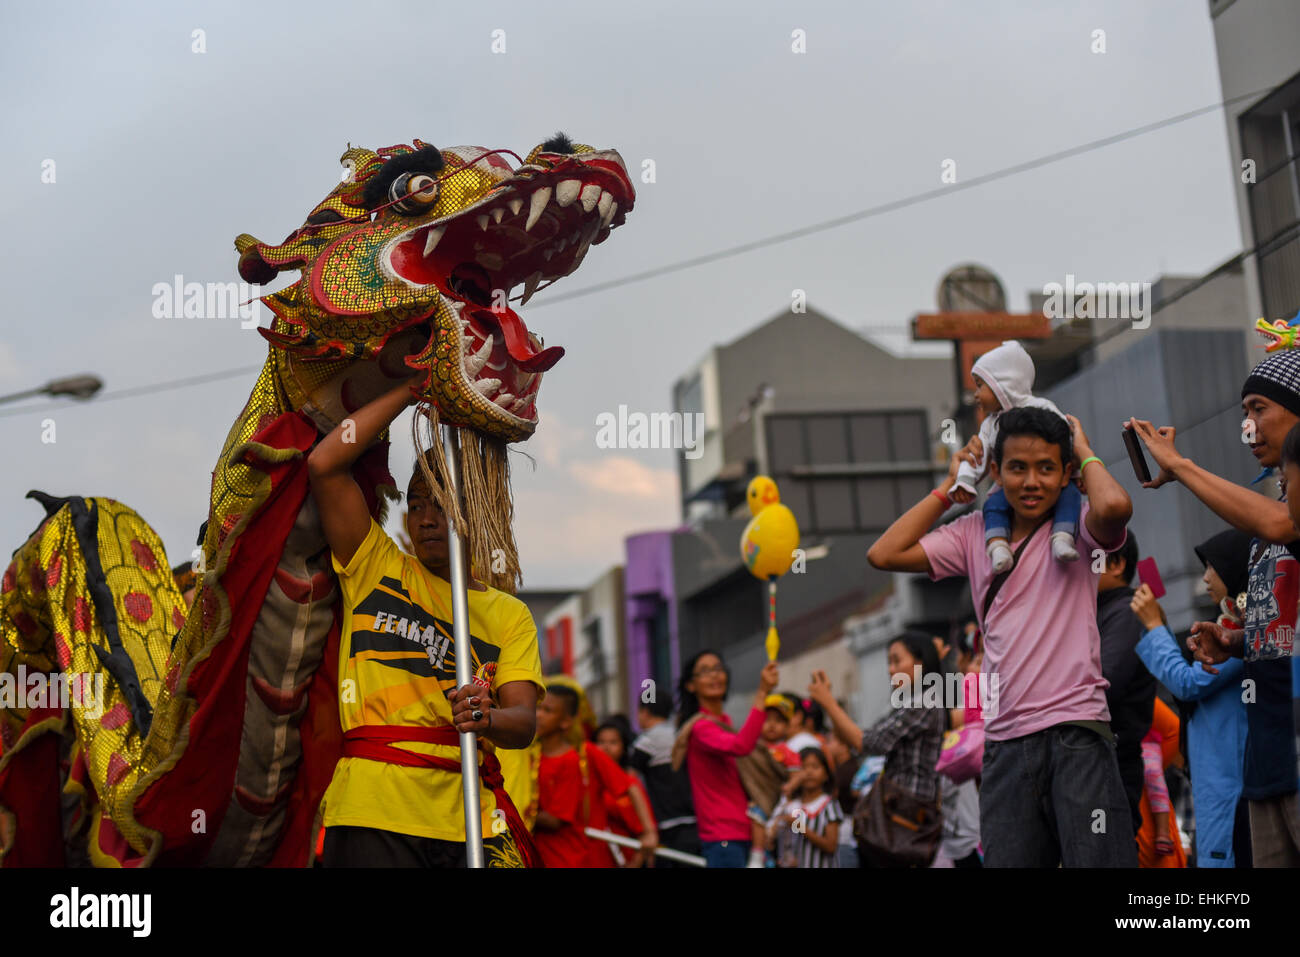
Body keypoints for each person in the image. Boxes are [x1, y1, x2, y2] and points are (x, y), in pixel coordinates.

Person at [869, 406, 1137, 866]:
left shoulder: (1082, 528)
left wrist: (1087, 452)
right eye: (1017, 468)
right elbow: (884, 553)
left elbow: (1115, 507)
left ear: (1066, 472)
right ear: (995, 470)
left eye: (1046, 468)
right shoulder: (972, 533)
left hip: (1077, 734)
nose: (1031, 482)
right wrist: (947, 493)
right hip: (1004, 745)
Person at [307, 378, 544, 868]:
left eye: (441, 502)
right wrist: (411, 389)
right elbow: (325, 464)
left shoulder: (509, 614)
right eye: (416, 503)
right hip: (372, 810)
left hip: (468, 820)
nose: (426, 518)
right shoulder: (376, 564)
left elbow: (522, 724)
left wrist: (489, 717)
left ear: (475, 506)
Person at [1130, 349, 1300, 867]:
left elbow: (1282, 524)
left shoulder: (1279, 521)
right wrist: (1235, 641)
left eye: (1258, 409)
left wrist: (1179, 466)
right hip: (1268, 762)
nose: (1248, 429)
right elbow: (1279, 640)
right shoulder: (1264, 530)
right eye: (1243, 415)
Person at [1130, 532, 1250, 868]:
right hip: (1219, 786)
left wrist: (1155, 626)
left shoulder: (1239, 638)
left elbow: (1186, 684)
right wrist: (1160, 627)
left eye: (1213, 567)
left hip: (1228, 788)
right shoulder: (1230, 629)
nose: (1206, 577)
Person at [807, 632, 947, 866]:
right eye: (888, 663)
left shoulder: (924, 702)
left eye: (897, 660)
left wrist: (829, 703)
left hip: (904, 818)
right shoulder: (912, 702)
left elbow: (867, 742)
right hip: (899, 816)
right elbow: (865, 738)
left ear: (921, 663)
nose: (891, 670)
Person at [950, 340, 1083, 569]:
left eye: (980, 386)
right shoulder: (988, 426)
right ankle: (998, 544)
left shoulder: (1043, 409)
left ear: (1003, 384)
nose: (976, 396)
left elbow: (1067, 443)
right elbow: (975, 458)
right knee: (993, 506)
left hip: (1057, 488)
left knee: (1070, 497)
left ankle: (1062, 537)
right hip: (1008, 491)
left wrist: (1079, 472)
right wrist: (964, 480)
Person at [670, 651, 780, 868]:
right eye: (704, 671)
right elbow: (741, 746)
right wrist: (763, 692)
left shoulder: (724, 721)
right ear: (691, 685)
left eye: (718, 669)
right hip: (723, 838)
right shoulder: (701, 727)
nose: (714, 676)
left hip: (743, 834)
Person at [533, 682, 656, 868]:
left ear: (567, 720)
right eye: (537, 708)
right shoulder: (528, 753)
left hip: (583, 855)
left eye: (547, 710)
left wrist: (649, 833)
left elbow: (630, 786)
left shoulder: (584, 753)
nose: (538, 715)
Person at [1096, 532, 1156, 835]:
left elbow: (1104, 684)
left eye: (1088, 558)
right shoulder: (1098, 611)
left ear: (1116, 563)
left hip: (1111, 762)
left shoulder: (1126, 612)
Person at [629, 695, 701, 867]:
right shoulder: (680, 734)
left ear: (644, 713)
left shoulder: (646, 741)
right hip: (696, 819)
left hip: (668, 824)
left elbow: (630, 779)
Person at [593, 716, 658, 867]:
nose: (606, 747)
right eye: (601, 742)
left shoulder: (630, 782)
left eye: (613, 742)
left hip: (628, 859)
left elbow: (643, 830)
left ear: (624, 747)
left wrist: (637, 861)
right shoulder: (587, 781)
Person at [766, 748, 844, 868]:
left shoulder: (829, 805)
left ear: (826, 775)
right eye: (803, 767)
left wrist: (802, 828)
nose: (809, 772)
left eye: (815, 767)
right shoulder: (793, 806)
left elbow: (831, 846)